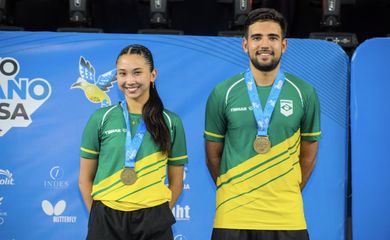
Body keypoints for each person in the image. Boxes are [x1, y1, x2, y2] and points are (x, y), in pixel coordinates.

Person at [204, 8, 321, 240]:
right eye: (257, 37)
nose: (265, 44)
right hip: (233, 217)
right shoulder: (223, 92)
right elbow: (212, 157)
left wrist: (285, 191)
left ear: (284, 45)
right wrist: (234, 190)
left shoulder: (304, 92)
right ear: (245, 45)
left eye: (273, 37)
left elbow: (308, 156)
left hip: (287, 217)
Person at [78, 44, 188, 240]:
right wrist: (97, 215)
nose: (130, 81)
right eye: (122, 74)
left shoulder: (171, 122)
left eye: (137, 73)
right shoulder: (101, 118)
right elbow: (85, 178)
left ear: (153, 74)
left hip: (154, 218)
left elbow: (177, 183)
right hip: (106, 218)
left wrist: (156, 213)